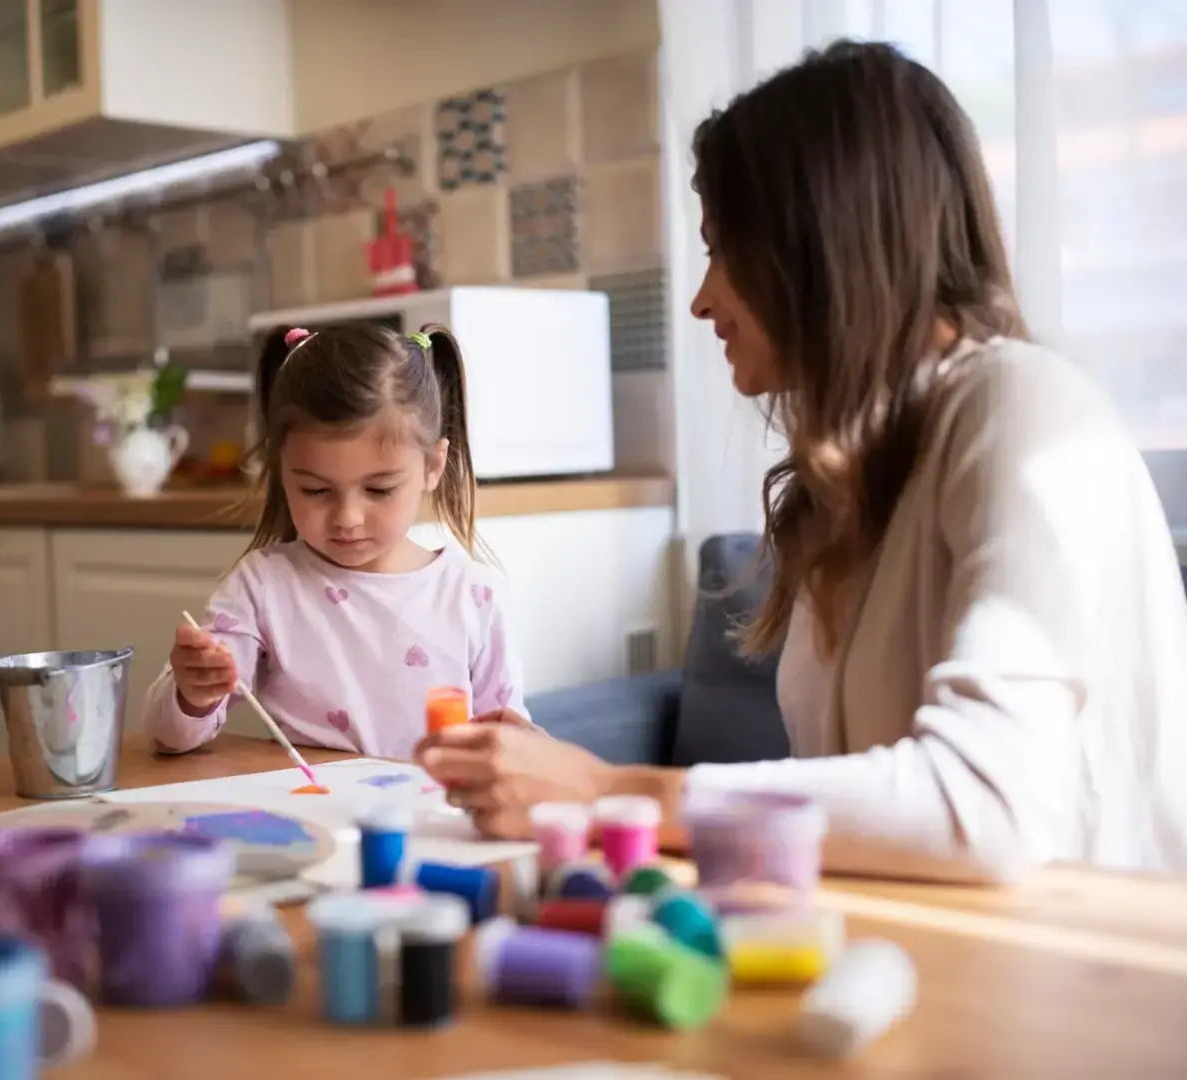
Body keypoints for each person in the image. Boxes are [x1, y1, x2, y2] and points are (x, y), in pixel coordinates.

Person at [416, 39, 1187, 883]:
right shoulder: (850, 481)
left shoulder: (1024, 407)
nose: (702, 298)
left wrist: (608, 791)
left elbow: (986, 802)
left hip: (1080, 946)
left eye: (722, 249)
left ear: (817, 242)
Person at [143, 322, 527, 760]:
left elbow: (511, 747)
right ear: (280, 469)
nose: (347, 518)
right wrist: (194, 694)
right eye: (315, 490)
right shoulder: (263, 586)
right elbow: (168, 737)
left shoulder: (474, 595)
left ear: (432, 466)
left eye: (379, 489)